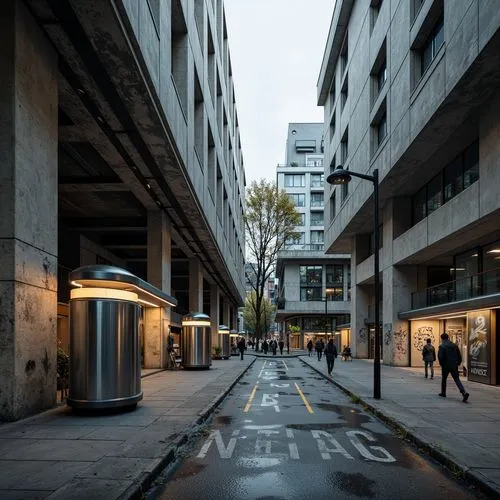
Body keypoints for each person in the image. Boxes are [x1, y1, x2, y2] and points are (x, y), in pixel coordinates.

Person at [438, 333, 469, 402]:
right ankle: (463, 392)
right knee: (456, 379)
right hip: (454, 365)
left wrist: (442, 364)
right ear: (448, 337)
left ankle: (443, 392)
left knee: (444, 379)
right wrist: (458, 362)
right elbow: (459, 355)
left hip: (446, 365)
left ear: (442, 338)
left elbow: (440, 357)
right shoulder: (454, 345)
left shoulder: (442, 346)